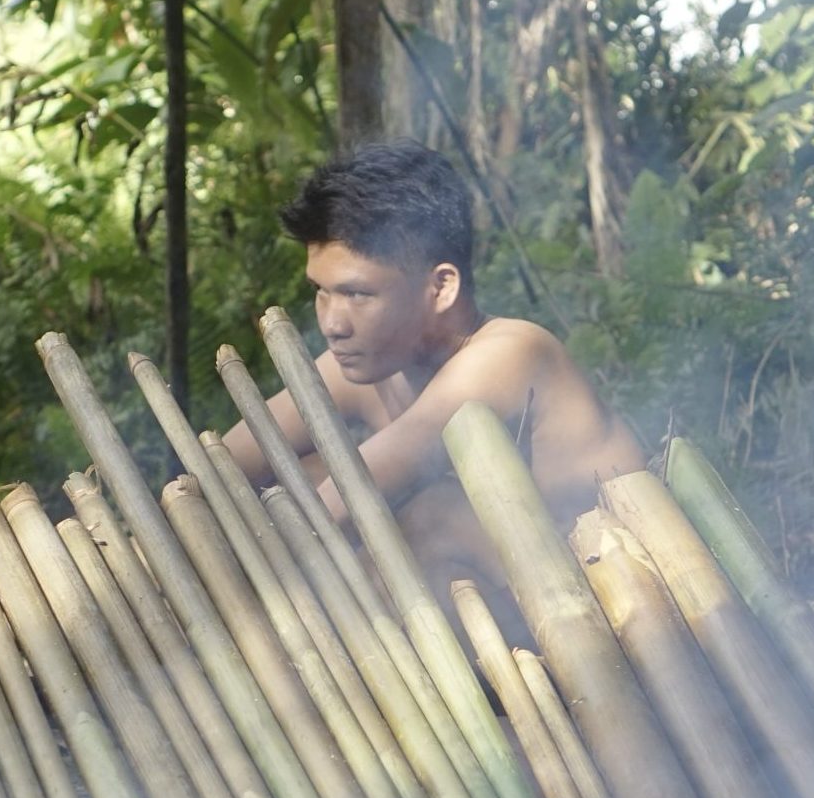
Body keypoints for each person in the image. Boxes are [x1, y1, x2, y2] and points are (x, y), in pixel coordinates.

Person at [223, 140, 646, 622]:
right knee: (308, 473)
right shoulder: (364, 365)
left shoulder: (510, 355)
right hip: (505, 618)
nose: (332, 322)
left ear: (441, 287)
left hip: (615, 617)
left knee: (427, 516)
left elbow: (339, 507)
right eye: (321, 292)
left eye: (357, 293)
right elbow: (218, 472)